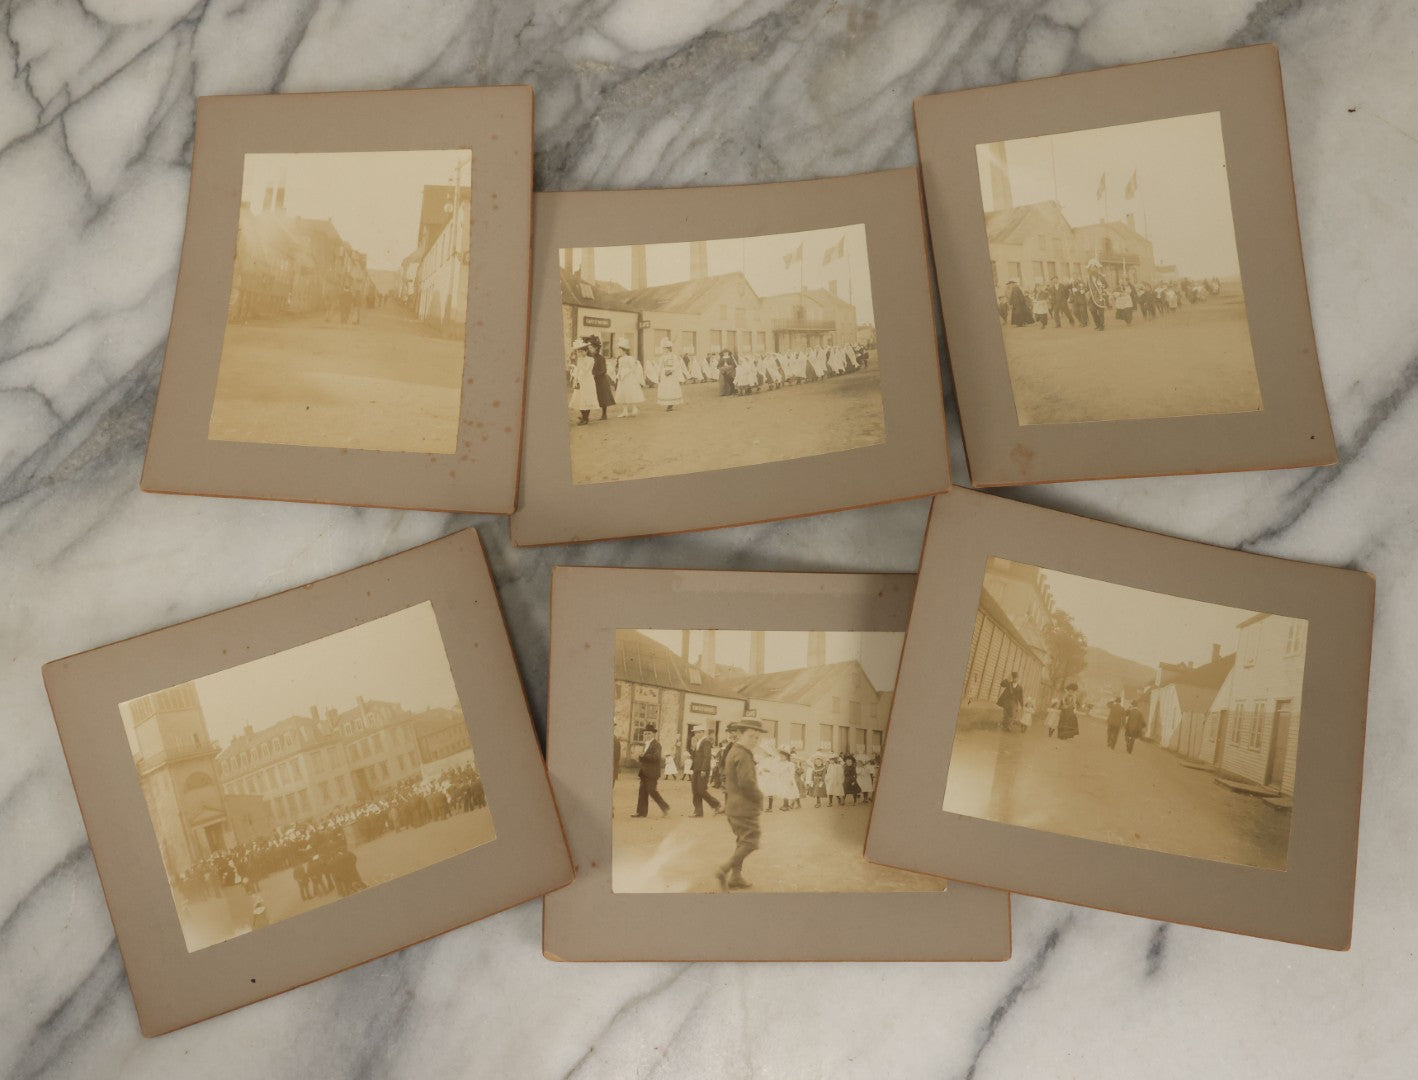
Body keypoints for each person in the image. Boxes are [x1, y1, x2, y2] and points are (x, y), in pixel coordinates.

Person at [716, 718, 766, 891]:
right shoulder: (743, 754)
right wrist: (759, 798)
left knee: (742, 840)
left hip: (734, 806)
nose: (755, 740)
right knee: (751, 841)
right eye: (751, 736)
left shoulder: (733, 751)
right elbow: (747, 783)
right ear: (740, 734)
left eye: (757, 738)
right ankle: (724, 869)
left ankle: (736, 877)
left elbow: (725, 776)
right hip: (744, 808)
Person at [632, 724, 670, 818]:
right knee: (642, 792)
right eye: (645, 733)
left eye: (648, 733)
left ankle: (664, 806)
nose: (646, 735)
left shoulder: (656, 744)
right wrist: (640, 758)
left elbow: (656, 757)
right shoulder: (646, 744)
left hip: (652, 773)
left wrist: (643, 755)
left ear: (653, 734)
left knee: (651, 790)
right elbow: (645, 758)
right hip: (644, 772)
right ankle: (641, 813)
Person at [689, 727, 723, 817]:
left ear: (703, 732)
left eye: (698, 732)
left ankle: (716, 804)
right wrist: (693, 749)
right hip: (696, 769)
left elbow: (707, 756)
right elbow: (695, 756)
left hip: (702, 770)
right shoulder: (698, 742)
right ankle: (698, 812)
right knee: (695, 790)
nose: (696, 734)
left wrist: (704, 769)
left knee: (701, 790)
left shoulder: (706, 742)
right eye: (695, 733)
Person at [568, 339, 600, 425]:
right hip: (580, 381)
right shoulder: (579, 360)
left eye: (582, 351)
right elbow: (578, 371)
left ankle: (586, 418)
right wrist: (575, 380)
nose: (580, 354)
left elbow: (586, 370)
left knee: (586, 399)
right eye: (578, 352)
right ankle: (583, 416)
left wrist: (581, 362)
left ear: (586, 351)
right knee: (579, 399)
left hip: (588, 381)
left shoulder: (590, 359)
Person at [612, 343, 644, 417]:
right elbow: (619, 368)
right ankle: (625, 411)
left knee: (631, 392)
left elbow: (633, 368)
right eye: (619, 351)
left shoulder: (630, 358)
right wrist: (618, 375)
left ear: (624, 351)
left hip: (629, 377)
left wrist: (625, 373)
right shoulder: (620, 359)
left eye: (620, 350)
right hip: (622, 378)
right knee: (622, 393)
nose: (619, 352)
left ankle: (634, 408)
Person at [655, 341, 685, 411]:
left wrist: (671, 370)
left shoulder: (673, 356)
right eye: (663, 349)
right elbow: (659, 366)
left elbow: (677, 365)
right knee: (666, 389)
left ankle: (670, 405)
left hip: (672, 375)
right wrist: (659, 374)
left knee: (671, 388)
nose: (664, 350)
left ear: (668, 349)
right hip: (664, 375)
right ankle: (668, 402)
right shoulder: (662, 357)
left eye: (665, 349)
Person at [590, 339, 616, 420]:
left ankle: (604, 414)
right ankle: (585, 415)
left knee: (603, 397)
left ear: (596, 348)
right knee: (589, 396)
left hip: (601, 380)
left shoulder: (601, 358)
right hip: (592, 379)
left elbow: (603, 370)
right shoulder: (590, 357)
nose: (590, 350)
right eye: (589, 348)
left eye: (591, 348)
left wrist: (594, 373)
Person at [1085, 259, 1109, 331]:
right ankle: (1097, 324)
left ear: (1096, 268)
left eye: (1094, 268)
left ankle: (1102, 326)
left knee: (1101, 312)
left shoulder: (1101, 277)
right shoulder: (1088, 278)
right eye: (1091, 268)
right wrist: (1083, 290)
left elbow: (1106, 285)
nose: (1092, 270)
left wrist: (1102, 286)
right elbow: (1087, 288)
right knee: (1092, 311)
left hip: (1100, 296)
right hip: (1092, 297)